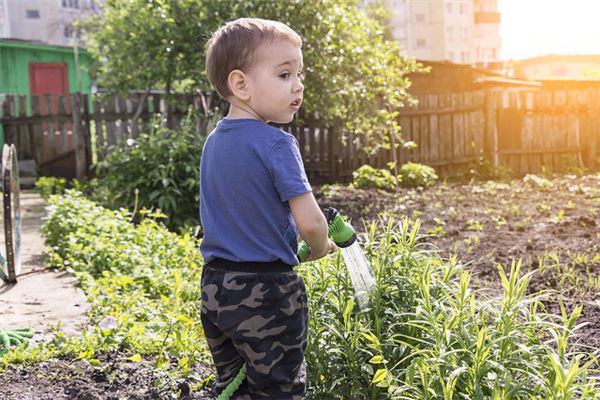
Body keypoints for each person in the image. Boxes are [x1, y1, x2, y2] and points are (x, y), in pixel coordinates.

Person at [199, 17, 336, 399]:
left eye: (298, 74)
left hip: (215, 286)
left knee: (234, 384)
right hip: (267, 290)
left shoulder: (214, 143)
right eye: (284, 74)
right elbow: (311, 223)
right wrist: (321, 247)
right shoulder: (277, 143)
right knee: (279, 388)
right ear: (240, 84)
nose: (298, 85)